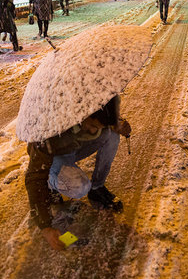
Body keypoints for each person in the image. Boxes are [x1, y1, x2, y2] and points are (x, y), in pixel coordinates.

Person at [24, 96, 131, 251]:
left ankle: (97, 188)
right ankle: (51, 183)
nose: (94, 130)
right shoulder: (48, 129)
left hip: (72, 147)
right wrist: (45, 226)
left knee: (111, 135)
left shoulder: (88, 100)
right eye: (93, 125)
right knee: (79, 186)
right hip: (52, 157)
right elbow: (34, 177)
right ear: (83, 111)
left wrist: (117, 123)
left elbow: (103, 113)